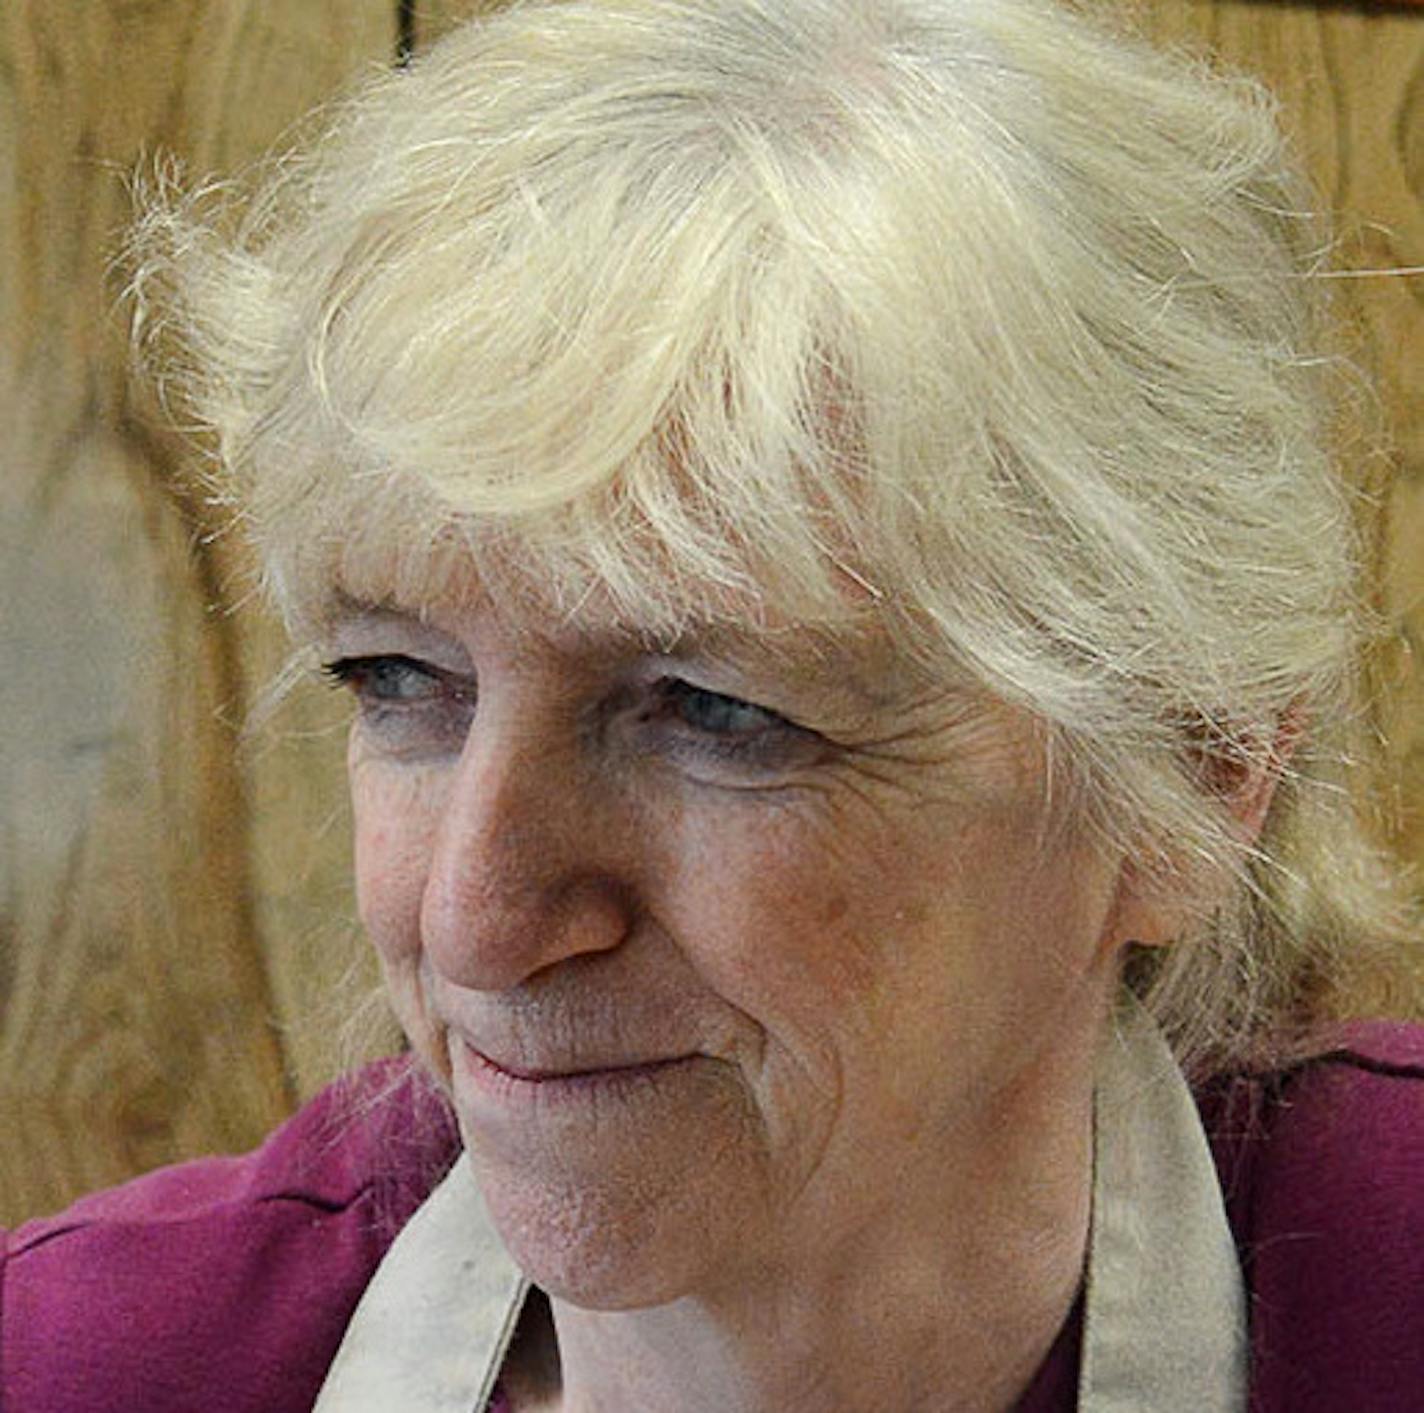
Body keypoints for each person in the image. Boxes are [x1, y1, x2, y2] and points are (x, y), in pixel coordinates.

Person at [4, 0, 1422, 1408]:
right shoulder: (91, 1363)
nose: (471, 921)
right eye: (402, 681)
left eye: (711, 711)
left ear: (1195, 770)